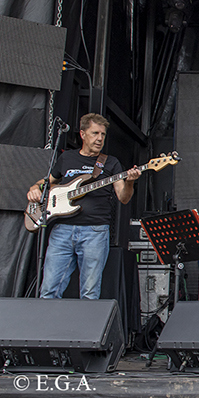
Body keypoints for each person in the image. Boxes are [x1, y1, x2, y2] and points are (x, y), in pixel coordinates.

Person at [27, 113, 142, 299]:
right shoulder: (67, 158)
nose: (100, 138)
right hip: (62, 230)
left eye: (103, 134)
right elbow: (47, 182)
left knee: (90, 293)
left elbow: (123, 197)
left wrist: (130, 181)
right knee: (48, 290)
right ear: (82, 134)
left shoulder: (111, 163)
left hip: (95, 231)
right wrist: (35, 188)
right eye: (95, 133)